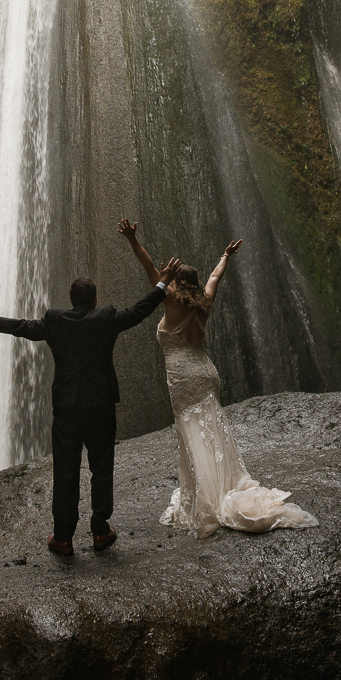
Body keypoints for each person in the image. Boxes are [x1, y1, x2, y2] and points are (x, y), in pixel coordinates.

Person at [0, 239, 180, 556]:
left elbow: (22, 327)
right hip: (101, 406)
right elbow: (139, 311)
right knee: (101, 468)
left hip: (66, 409)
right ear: (94, 300)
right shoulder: (106, 318)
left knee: (65, 472)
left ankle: (62, 537)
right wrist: (162, 284)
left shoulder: (55, 321)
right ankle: (101, 531)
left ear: (71, 300)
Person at [117, 219, 318, 539]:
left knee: (191, 432)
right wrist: (226, 255)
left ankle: (205, 498)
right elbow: (214, 276)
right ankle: (225, 484)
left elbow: (149, 266)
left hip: (183, 376)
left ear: (174, 283)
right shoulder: (204, 301)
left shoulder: (169, 299)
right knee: (212, 429)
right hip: (207, 373)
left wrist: (132, 239)